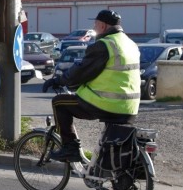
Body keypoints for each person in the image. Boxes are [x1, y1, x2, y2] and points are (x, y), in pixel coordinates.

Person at [41, 10, 141, 162]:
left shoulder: (105, 45)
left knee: (59, 103)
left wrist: (59, 80)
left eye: (95, 24)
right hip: (129, 107)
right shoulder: (130, 43)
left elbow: (82, 71)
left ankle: (70, 148)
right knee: (111, 142)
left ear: (102, 25)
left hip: (106, 104)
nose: (94, 27)